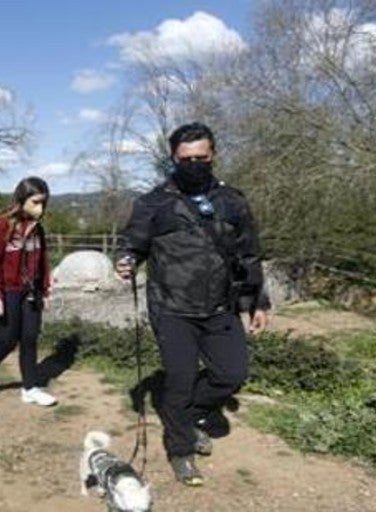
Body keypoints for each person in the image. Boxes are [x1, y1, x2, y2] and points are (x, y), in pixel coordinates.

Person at [114, 122, 271, 486]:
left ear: (213, 155)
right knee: (181, 380)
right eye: (187, 159)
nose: (195, 164)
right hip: (171, 308)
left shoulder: (232, 201)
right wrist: (125, 260)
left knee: (231, 374)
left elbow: (248, 254)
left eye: (202, 157)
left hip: (221, 306)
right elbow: (132, 244)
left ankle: (187, 417)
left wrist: (257, 302)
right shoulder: (153, 202)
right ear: (173, 158)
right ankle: (181, 450)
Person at [0, 176, 58, 407]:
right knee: (7, 340)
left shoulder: (38, 229)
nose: (41, 208)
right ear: (22, 199)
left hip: (31, 292)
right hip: (8, 292)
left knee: (30, 339)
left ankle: (30, 388)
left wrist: (46, 289)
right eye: (36, 202)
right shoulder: (0, 226)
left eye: (44, 203)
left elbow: (44, 261)